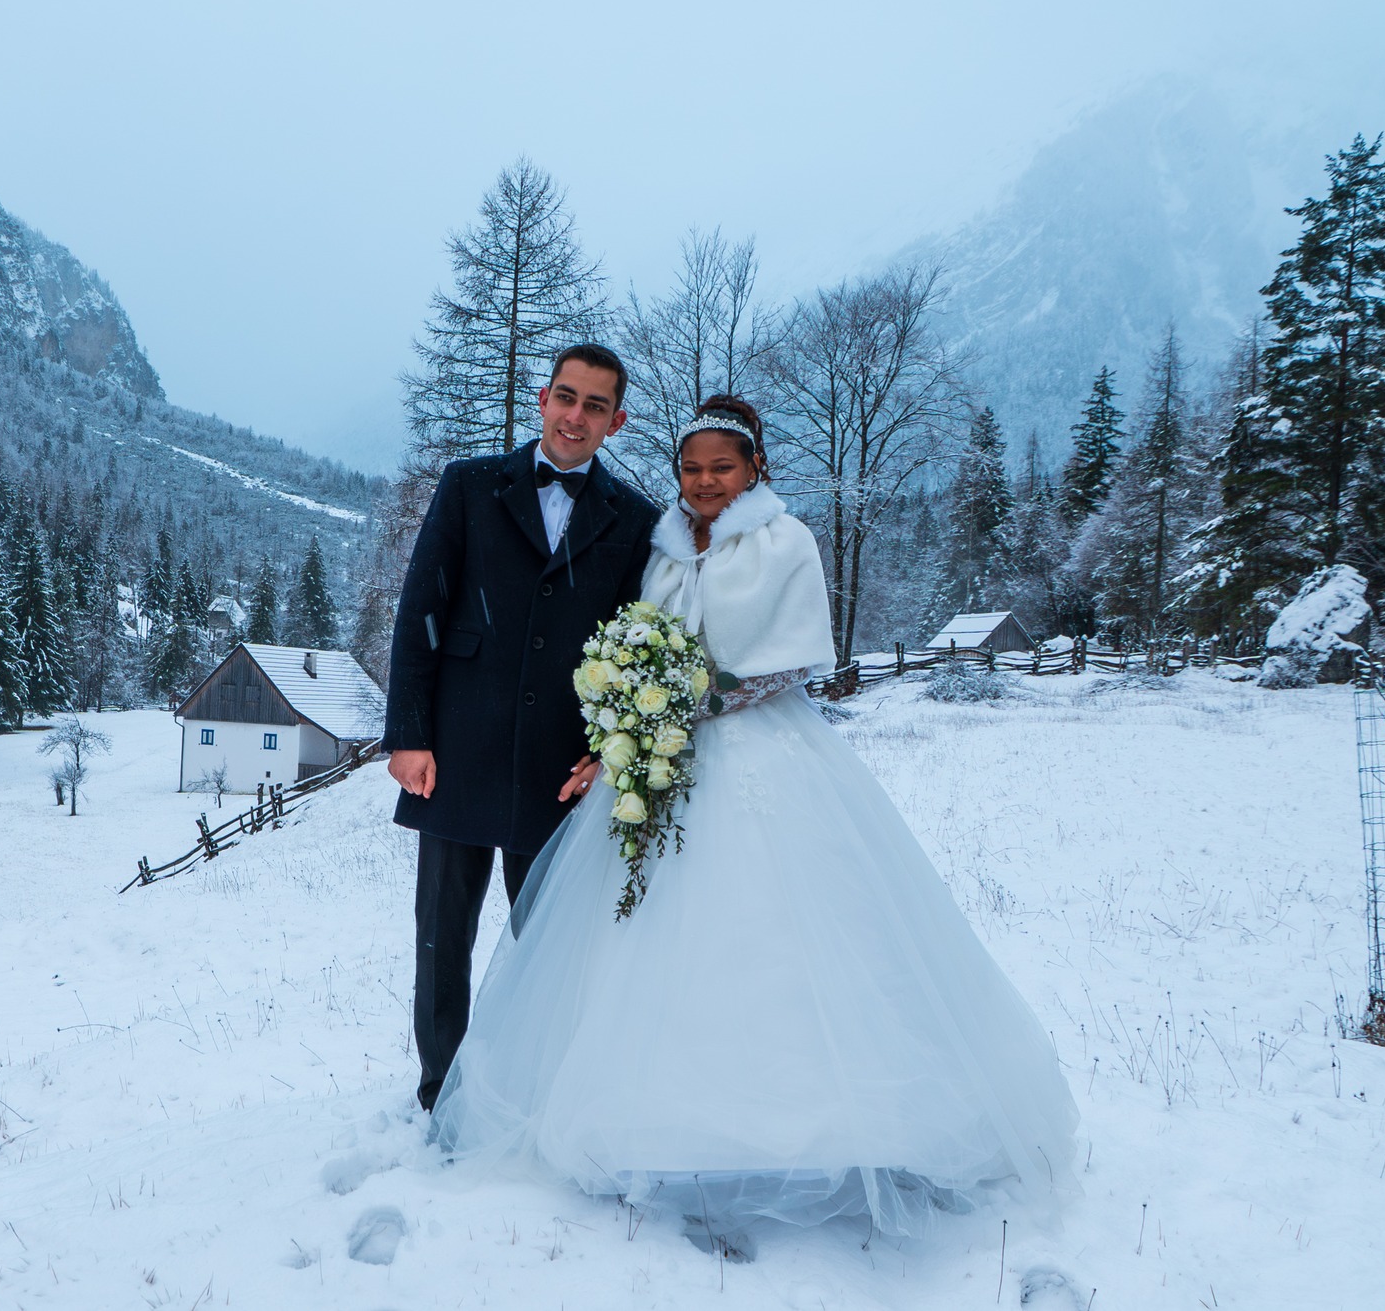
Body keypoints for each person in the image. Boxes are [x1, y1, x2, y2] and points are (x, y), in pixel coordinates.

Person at [429, 396, 1080, 1256]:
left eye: (721, 469)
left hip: (767, 756)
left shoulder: (787, 542)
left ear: (755, 469)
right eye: (692, 469)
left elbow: (797, 659)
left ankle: (814, 1121)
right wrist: (633, 713)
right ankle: (654, 1117)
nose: (704, 482)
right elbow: (637, 638)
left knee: (780, 933)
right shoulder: (660, 545)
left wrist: (703, 701)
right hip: (666, 763)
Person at [385, 343, 660, 1113]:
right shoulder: (469, 486)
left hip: (558, 767)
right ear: (542, 398)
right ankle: (443, 1090)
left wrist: (610, 751)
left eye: (595, 405)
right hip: (457, 751)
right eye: (565, 396)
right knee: (441, 938)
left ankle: (532, 1091)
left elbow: (635, 644)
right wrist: (408, 733)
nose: (575, 416)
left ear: (617, 420)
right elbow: (419, 611)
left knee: (545, 942)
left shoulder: (634, 519)